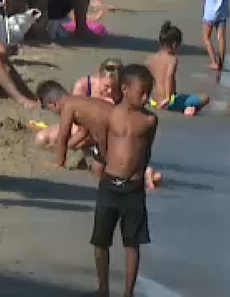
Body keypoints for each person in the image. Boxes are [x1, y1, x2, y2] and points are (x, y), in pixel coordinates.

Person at [83, 65, 157, 297]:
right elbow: (102, 143)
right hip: (109, 185)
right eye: (142, 92)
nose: (147, 98)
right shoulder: (110, 114)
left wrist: (139, 175)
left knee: (132, 243)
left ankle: (128, 293)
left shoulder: (149, 120)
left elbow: (146, 152)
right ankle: (102, 288)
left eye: (149, 93)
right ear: (124, 89)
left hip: (133, 190)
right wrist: (106, 169)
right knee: (101, 240)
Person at [145, 22, 208, 115]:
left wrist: (146, 98)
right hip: (169, 101)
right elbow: (168, 78)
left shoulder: (149, 59)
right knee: (205, 98)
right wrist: (167, 98)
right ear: (174, 44)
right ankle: (189, 109)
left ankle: (183, 106)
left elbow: (146, 79)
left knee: (180, 95)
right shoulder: (172, 60)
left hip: (153, 101)